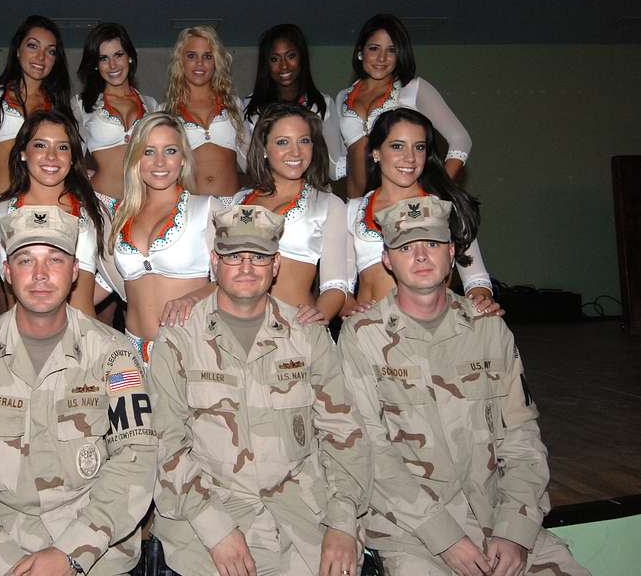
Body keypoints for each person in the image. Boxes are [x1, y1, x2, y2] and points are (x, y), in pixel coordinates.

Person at [340, 196, 590, 576]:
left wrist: (516, 531)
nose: (421, 256)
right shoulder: (363, 337)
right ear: (387, 260)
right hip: (413, 531)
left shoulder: (489, 328)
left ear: (453, 252)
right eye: (406, 247)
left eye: (433, 244)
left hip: (497, 515)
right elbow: (369, 455)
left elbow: (522, 438)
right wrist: (446, 538)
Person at [0, 206, 156, 576]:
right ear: (5, 271)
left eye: (56, 259)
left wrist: (69, 554)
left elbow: (136, 459)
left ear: (75, 271)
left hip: (91, 560)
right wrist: (2, 564)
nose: (41, 274)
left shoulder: (113, 356)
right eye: (26, 259)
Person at [148, 204, 370, 576]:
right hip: (206, 522)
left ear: (276, 264)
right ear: (215, 262)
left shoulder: (307, 335)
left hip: (301, 520)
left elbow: (344, 434)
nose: (247, 267)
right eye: (234, 256)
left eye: (259, 256)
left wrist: (343, 524)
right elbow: (165, 443)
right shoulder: (179, 339)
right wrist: (216, 530)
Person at [0, 109, 106, 335]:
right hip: (19, 352)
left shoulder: (94, 210)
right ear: (22, 152)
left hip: (86, 349)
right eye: (40, 145)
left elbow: (126, 273)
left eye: (62, 147)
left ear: (72, 158)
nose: (52, 156)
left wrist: (81, 298)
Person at [349, 107, 497, 314]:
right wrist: (352, 309)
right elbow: (343, 290)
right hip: (374, 335)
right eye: (397, 146)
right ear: (375, 152)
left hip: (436, 334)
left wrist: (482, 299)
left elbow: (476, 279)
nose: (410, 157)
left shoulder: (447, 205)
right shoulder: (353, 210)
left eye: (419, 147)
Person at [104, 112, 222, 365]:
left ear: (183, 159)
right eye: (148, 152)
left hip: (191, 352)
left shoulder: (207, 209)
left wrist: (192, 298)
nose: (160, 162)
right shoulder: (119, 217)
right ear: (136, 158)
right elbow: (102, 285)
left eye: (170, 151)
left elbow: (233, 281)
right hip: (133, 353)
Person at [234, 103, 353, 323]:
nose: (296, 152)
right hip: (239, 330)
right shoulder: (238, 202)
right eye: (282, 142)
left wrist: (317, 319)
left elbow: (336, 286)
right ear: (263, 149)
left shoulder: (328, 204)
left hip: (297, 332)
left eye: (304, 141)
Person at [338, 14, 472, 198]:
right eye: (374, 48)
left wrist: (435, 194)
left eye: (391, 50)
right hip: (355, 208)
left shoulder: (415, 89)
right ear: (361, 52)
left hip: (405, 207)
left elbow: (461, 140)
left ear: (400, 54)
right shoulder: (343, 97)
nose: (382, 58)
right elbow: (340, 162)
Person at [0, 15, 74, 197]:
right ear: (18, 50)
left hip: (46, 209)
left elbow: (71, 162)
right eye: (33, 46)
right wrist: (1, 163)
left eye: (51, 51)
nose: (41, 56)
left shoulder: (59, 107)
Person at [243, 24, 345, 180]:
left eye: (291, 56)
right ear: (266, 64)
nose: (284, 66)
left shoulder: (321, 104)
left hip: (315, 193)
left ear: (302, 57)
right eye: (274, 59)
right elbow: (247, 163)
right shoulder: (251, 107)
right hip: (267, 194)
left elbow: (334, 164)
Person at [73, 22, 159, 202]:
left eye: (118, 55)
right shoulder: (81, 105)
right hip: (100, 201)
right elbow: (69, 156)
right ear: (96, 64)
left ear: (129, 56)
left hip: (142, 203)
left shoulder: (151, 106)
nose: (112, 65)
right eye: (103, 58)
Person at [162, 26, 247, 197]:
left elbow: (253, 163)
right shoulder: (166, 111)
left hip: (230, 208)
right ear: (181, 61)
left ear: (216, 61)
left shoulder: (235, 106)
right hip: (189, 208)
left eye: (207, 56)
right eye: (192, 56)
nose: (200, 63)